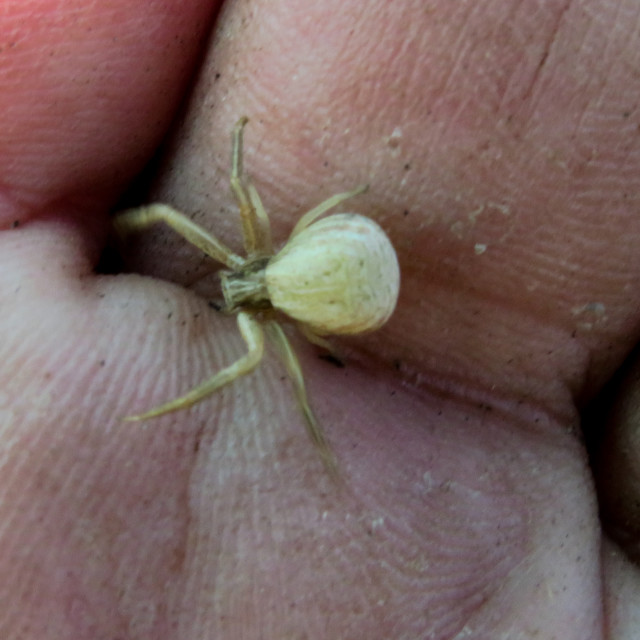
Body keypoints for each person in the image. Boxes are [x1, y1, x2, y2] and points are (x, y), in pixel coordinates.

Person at [1, 1, 638, 637]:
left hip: (322, 276)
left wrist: (237, 165)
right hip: (325, 274)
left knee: (220, 292)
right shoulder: (267, 287)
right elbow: (270, 205)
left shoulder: (267, 303)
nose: (231, 287)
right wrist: (308, 185)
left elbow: (238, 254)